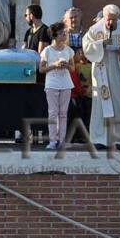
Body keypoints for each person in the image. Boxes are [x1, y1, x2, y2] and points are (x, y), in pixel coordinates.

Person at [82, 3, 120, 148]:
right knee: (100, 106)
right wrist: (100, 43)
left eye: (113, 20)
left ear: (118, 18)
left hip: (119, 73)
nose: (110, 22)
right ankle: (100, 139)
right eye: (108, 19)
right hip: (101, 72)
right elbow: (87, 47)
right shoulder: (95, 30)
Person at [39, 21, 75, 150]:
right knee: (53, 112)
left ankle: (62, 140)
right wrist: (54, 65)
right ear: (54, 35)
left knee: (63, 113)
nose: (64, 35)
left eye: (64, 32)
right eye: (61, 33)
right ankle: (53, 140)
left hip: (66, 84)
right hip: (52, 84)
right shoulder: (47, 51)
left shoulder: (68, 50)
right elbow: (41, 69)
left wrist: (66, 65)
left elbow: (72, 68)